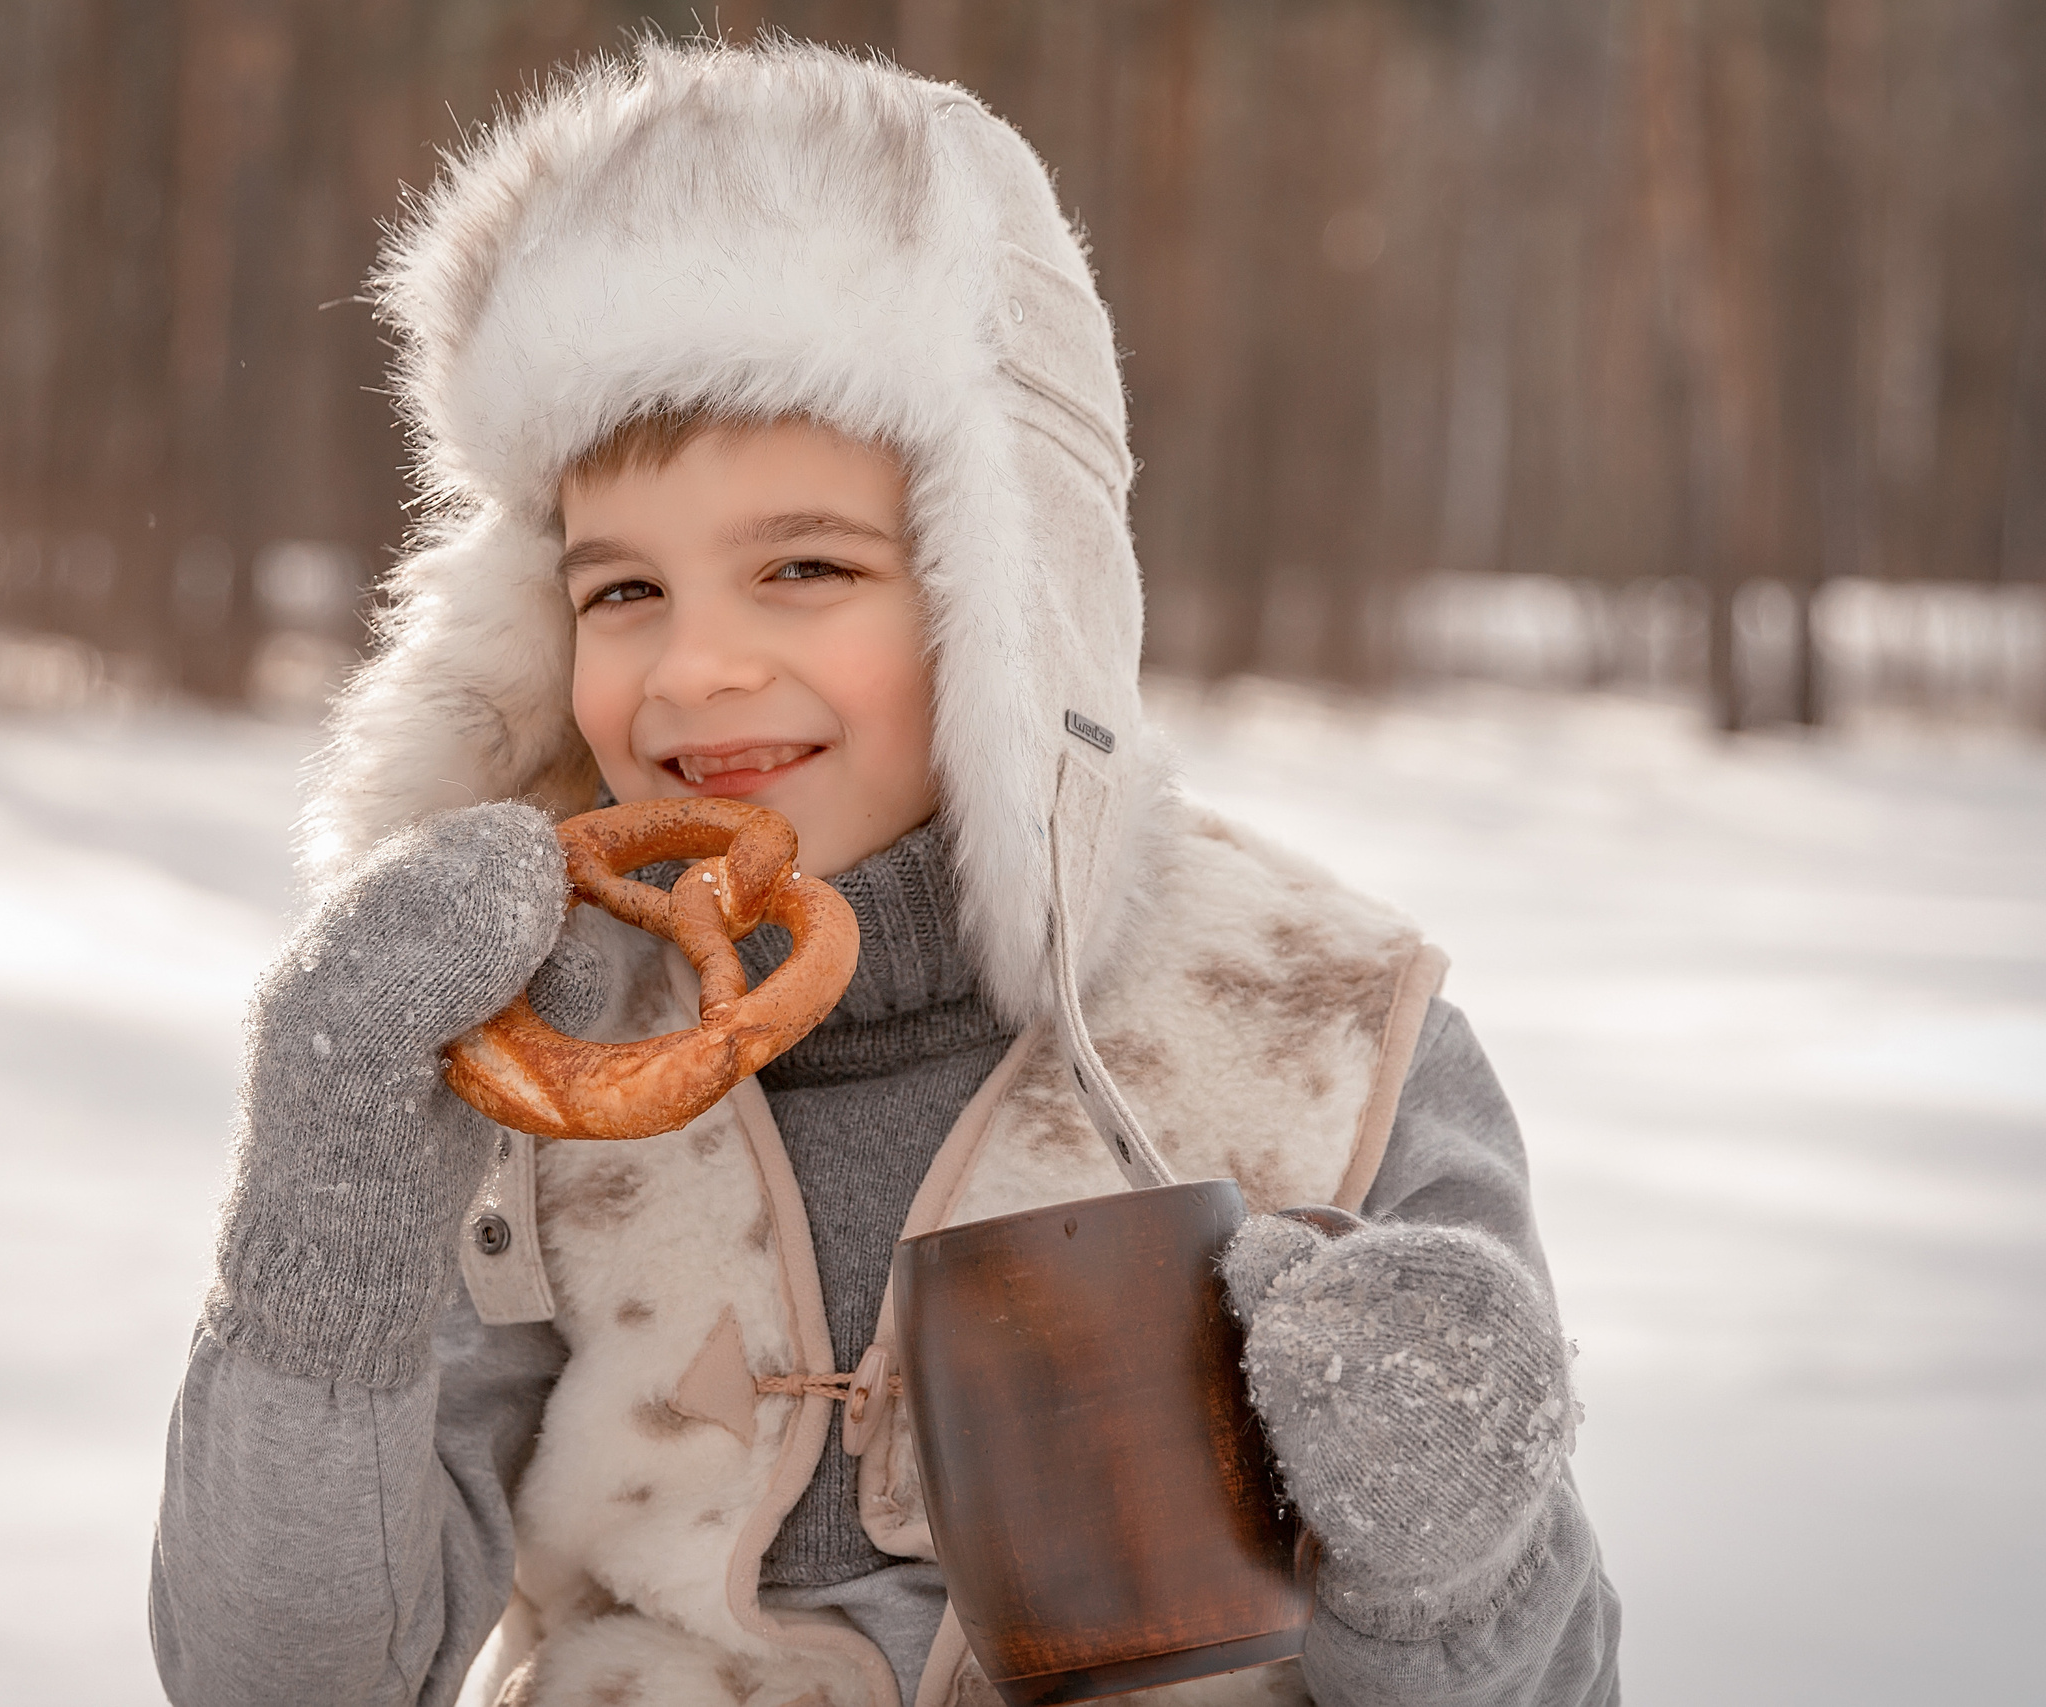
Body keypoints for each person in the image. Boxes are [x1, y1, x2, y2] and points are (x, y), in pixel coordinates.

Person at [150, 38, 1619, 1707]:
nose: (691, 670)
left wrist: (1443, 1555)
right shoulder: (529, 1054)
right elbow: (282, 1682)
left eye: (802, 565)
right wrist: (330, 1202)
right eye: (620, 590)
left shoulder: (1334, 1039)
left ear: (1017, 594)